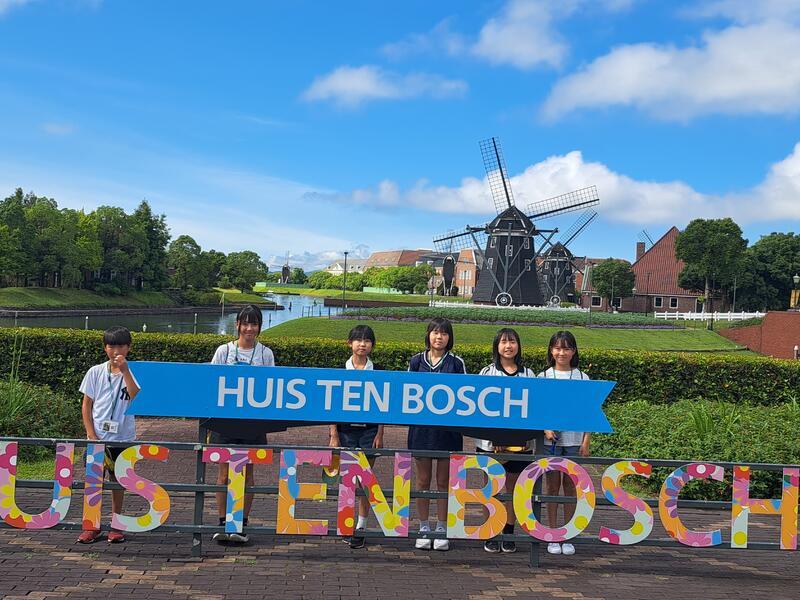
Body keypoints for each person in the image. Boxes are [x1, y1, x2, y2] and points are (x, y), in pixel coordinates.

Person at [209, 304, 275, 544]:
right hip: (225, 422)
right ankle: (223, 522)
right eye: (245, 323)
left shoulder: (266, 354)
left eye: (253, 324)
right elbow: (211, 383)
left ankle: (241, 524)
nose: (249, 328)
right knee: (223, 474)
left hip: (252, 424)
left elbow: (272, 386)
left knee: (248, 475)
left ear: (259, 327)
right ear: (237, 324)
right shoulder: (224, 351)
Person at [77, 326, 140, 544]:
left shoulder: (133, 372)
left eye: (121, 346)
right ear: (105, 348)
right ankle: (91, 525)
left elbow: (135, 396)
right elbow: (87, 405)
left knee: (118, 481)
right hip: (97, 437)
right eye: (111, 346)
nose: (116, 351)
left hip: (123, 438)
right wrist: (90, 433)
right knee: (93, 482)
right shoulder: (95, 372)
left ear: (128, 348)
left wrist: (125, 371)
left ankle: (116, 524)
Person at [407, 317, 465, 552]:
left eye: (444, 333)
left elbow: (464, 396)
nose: (439, 337)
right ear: (428, 335)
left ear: (449, 337)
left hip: (447, 431)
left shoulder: (457, 363)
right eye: (435, 332)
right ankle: (423, 527)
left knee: (443, 482)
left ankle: (441, 527)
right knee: (422, 481)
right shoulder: (415, 361)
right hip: (422, 430)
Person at [476, 328, 535, 554]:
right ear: (496, 346)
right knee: (490, 489)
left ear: (518, 346)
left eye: (512, 342)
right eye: (503, 342)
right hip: (490, 443)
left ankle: (509, 531)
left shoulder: (528, 374)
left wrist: (521, 437)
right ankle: (491, 531)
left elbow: (533, 410)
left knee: (513, 489)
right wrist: (496, 436)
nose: (508, 346)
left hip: (520, 444)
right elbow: (480, 409)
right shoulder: (486, 373)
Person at [329, 324, 384, 550]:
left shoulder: (378, 371)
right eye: (358, 340)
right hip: (345, 431)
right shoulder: (340, 371)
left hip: (369, 431)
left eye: (367, 340)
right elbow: (331, 405)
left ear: (372, 345)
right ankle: (346, 523)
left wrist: (380, 432)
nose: (362, 344)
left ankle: (361, 526)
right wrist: (333, 433)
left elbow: (383, 406)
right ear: (349, 343)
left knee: (366, 479)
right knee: (348, 480)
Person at [537, 330, 591, 557]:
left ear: (574, 351)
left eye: (566, 348)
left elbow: (589, 411)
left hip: (574, 440)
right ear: (551, 350)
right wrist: (545, 428)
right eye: (558, 348)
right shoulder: (543, 377)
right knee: (551, 486)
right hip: (551, 441)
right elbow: (536, 408)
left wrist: (586, 440)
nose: (562, 352)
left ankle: (567, 534)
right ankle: (552, 533)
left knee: (570, 487)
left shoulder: (583, 378)